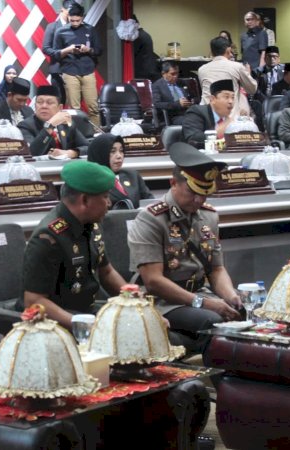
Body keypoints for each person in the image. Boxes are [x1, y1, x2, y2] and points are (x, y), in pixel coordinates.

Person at [128, 142, 241, 355]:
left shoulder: (209, 216)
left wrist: (231, 297)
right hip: (163, 301)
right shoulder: (151, 219)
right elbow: (153, 282)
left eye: (205, 193)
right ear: (173, 183)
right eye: (192, 192)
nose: (199, 200)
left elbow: (215, 269)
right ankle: (218, 383)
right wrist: (204, 303)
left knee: (241, 317)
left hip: (199, 293)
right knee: (213, 320)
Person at [22, 160, 127, 328]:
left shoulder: (92, 223)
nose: (109, 203)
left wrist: (135, 301)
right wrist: (82, 325)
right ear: (84, 200)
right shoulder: (48, 237)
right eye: (105, 197)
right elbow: (34, 300)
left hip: (89, 311)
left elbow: (106, 271)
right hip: (61, 320)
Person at [53, 4, 103, 127]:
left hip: (88, 70)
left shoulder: (90, 30)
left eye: (78, 20)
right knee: (74, 108)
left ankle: (96, 133)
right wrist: (68, 50)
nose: (75, 23)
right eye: (72, 20)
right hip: (69, 71)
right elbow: (55, 53)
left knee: (93, 107)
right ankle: (75, 135)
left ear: (82, 18)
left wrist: (88, 50)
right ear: (68, 17)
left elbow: (99, 51)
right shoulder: (61, 31)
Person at [18, 85, 88, 158]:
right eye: (40, 102)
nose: (44, 106)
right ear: (35, 106)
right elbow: (31, 152)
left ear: (60, 108)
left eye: (49, 103)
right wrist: (49, 126)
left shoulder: (65, 124)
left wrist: (72, 153)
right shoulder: (25, 126)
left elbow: (88, 147)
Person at [87, 133, 153, 209]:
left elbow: (150, 201)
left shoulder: (132, 175)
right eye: (113, 151)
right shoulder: (92, 182)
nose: (119, 156)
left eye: (121, 151)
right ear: (100, 154)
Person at [197, 37, 257, 117]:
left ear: (211, 52)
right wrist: (247, 74)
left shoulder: (201, 69)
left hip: (206, 117)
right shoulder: (237, 67)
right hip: (229, 119)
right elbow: (252, 89)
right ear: (228, 51)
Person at [182, 79, 235, 148]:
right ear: (212, 99)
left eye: (233, 97)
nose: (231, 101)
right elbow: (193, 138)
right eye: (226, 97)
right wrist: (218, 131)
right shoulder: (196, 111)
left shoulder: (230, 119)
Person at [42, 1, 74, 104]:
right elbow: (46, 48)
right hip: (58, 69)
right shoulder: (52, 27)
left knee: (74, 103)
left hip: (74, 70)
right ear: (62, 9)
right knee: (58, 101)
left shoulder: (76, 28)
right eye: (69, 11)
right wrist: (61, 53)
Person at [132, 14, 158, 81]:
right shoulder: (144, 34)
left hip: (142, 72)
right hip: (149, 70)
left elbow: (132, 53)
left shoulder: (138, 37)